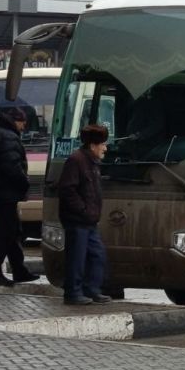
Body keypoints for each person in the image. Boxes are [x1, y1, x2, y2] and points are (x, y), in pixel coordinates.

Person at [0, 106, 39, 286]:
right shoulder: (8, 136)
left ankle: (19, 270)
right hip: (7, 192)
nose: (24, 127)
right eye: (23, 123)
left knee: (13, 230)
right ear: (15, 121)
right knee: (5, 232)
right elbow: (12, 166)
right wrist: (25, 182)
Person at [58, 124, 111, 305]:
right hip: (77, 220)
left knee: (97, 255)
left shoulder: (92, 163)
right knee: (77, 259)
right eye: (103, 144)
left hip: (89, 220)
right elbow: (67, 190)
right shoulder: (76, 160)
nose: (105, 148)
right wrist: (83, 210)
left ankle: (91, 289)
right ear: (93, 145)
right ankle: (73, 293)